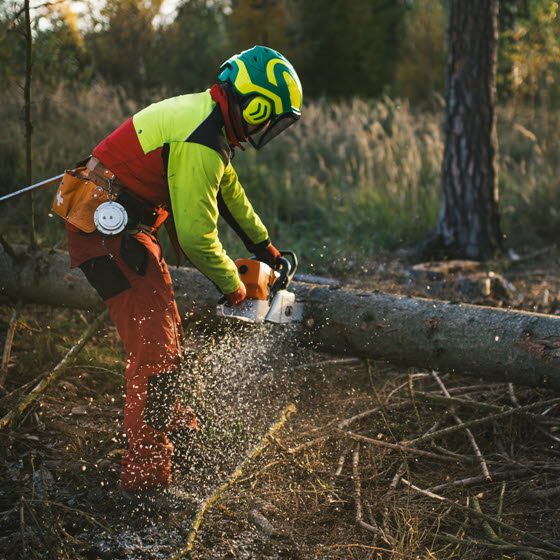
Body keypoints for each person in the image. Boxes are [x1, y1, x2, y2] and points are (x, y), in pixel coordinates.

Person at [55, 45, 303, 502]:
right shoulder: (201, 138)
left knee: (163, 334)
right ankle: (146, 479)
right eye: (270, 116)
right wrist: (236, 288)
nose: (268, 126)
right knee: (155, 351)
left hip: (123, 229)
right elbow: (194, 238)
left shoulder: (208, 123)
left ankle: (177, 429)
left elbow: (229, 194)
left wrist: (263, 247)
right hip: (108, 233)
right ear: (256, 103)